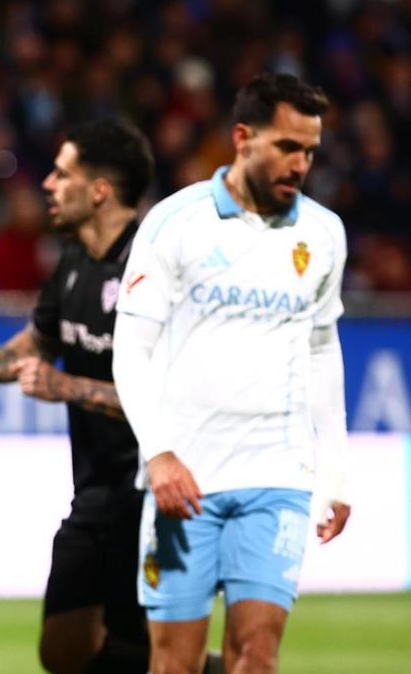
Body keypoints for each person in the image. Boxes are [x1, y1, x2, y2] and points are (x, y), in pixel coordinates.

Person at [112, 73, 351, 674]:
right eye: (288, 147)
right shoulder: (175, 222)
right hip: (185, 480)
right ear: (243, 138)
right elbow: (131, 349)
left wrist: (338, 472)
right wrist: (159, 454)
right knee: (174, 664)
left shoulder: (323, 234)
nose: (301, 164)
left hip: (278, 474)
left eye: (311, 151)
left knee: (257, 656)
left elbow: (323, 350)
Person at [0, 119, 155, 673]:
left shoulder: (154, 265)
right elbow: (39, 342)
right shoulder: (72, 261)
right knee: (63, 652)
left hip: (156, 492)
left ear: (99, 189)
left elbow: (172, 394)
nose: (48, 185)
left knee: (154, 650)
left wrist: (67, 386)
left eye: (62, 173)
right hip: (95, 492)